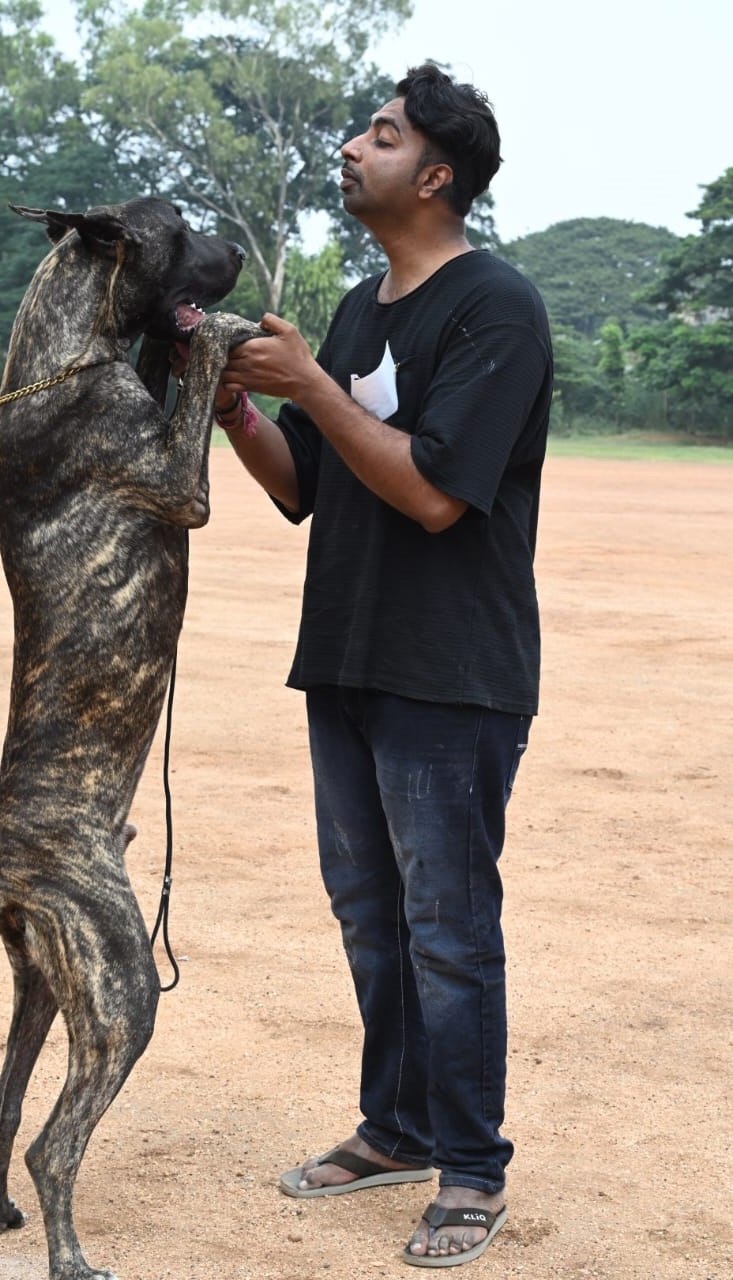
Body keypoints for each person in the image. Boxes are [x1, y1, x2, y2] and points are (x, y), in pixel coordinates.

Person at [209, 61, 552, 1267]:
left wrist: (304, 378)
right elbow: (307, 482)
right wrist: (240, 409)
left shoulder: (494, 307)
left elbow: (432, 496)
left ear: (438, 172)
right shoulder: (359, 307)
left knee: (448, 928)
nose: (355, 147)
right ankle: (397, 1126)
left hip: (451, 672)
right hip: (348, 659)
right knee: (371, 917)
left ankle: (470, 1167)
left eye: (383, 132)